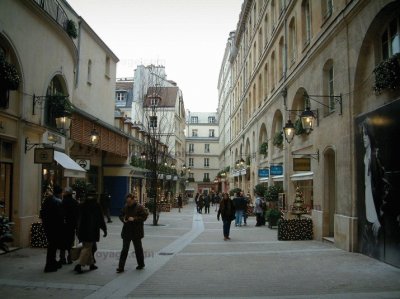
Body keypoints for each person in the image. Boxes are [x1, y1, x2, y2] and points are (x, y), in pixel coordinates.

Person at [74, 193, 107, 274]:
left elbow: (77, 218)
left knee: (89, 247)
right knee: (87, 248)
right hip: (91, 231)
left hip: (82, 231)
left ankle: (91, 264)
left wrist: (77, 229)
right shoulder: (96, 206)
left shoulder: (81, 205)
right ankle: (80, 265)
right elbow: (100, 219)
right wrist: (104, 229)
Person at [116, 193, 149, 273]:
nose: (128, 203)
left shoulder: (140, 207)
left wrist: (134, 219)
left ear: (133, 200)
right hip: (127, 231)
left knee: (138, 249)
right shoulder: (125, 207)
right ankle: (121, 267)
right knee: (124, 249)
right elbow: (121, 215)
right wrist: (123, 219)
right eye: (127, 202)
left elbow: (144, 217)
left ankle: (141, 264)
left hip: (136, 231)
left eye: (130, 201)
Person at [40, 185, 64, 272]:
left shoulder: (47, 200)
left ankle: (52, 263)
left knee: (51, 246)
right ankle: (49, 265)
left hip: (47, 226)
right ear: (60, 193)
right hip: (55, 227)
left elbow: (42, 213)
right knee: (53, 246)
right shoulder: (58, 201)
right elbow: (60, 216)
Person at [59, 186, 79, 265]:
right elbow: (77, 215)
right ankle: (69, 258)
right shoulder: (75, 202)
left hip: (63, 225)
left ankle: (62, 258)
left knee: (62, 242)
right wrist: (77, 226)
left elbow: (60, 214)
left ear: (66, 193)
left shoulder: (62, 202)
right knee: (70, 242)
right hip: (71, 225)